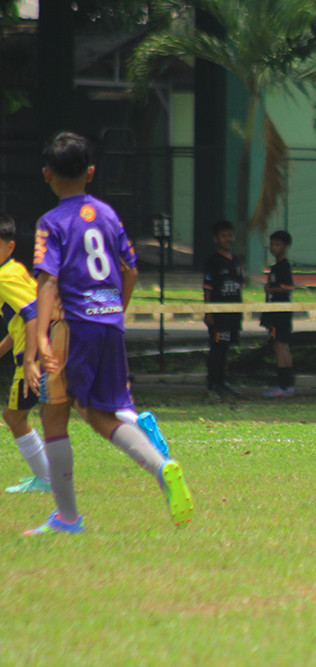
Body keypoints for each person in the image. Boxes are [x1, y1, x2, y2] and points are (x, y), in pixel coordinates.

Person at [26, 130, 193, 535]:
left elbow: (48, 280)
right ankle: (150, 448)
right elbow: (130, 268)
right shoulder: (108, 213)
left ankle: (69, 517)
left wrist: (43, 339)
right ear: (92, 172)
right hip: (108, 324)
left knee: (60, 416)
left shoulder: (51, 222)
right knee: (102, 407)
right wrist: (116, 310)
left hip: (73, 327)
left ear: (46, 174)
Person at [0, 213, 49, 494]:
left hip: (33, 357)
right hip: (45, 348)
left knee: (13, 417)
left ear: (10, 246)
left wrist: (29, 361)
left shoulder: (4, 278)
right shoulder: (16, 270)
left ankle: (46, 480)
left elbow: (32, 316)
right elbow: (20, 320)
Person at [203, 219, 244, 399]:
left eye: (230, 235)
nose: (228, 239)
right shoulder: (213, 261)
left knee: (226, 347)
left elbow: (239, 285)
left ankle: (222, 382)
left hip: (233, 314)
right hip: (219, 315)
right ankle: (212, 385)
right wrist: (209, 311)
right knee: (217, 347)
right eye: (224, 236)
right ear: (216, 239)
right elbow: (208, 288)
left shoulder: (235, 261)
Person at [261, 230, 295, 398]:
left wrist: (270, 288)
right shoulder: (275, 266)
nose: (273, 248)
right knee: (281, 345)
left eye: (277, 244)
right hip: (274, 311)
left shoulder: (284, 266)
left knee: (281, 346)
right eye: (272, 244)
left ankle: (283, 386)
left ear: (285, 247)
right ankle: (287, 385)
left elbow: (289, 286)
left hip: (280, 312)